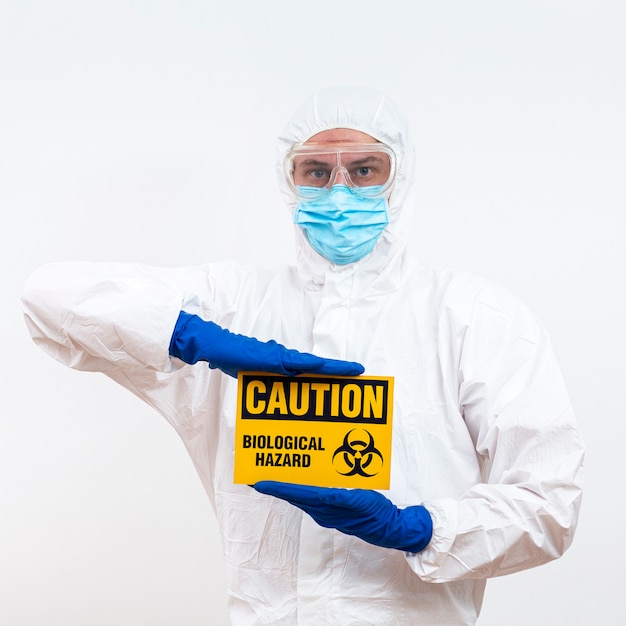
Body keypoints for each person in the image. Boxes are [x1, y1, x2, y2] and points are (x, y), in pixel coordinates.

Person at [21, 85, 584, 625]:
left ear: (399, 177)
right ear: (290, 181)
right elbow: (46, 297)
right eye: (317, 171)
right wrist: (193, 336)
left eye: (365, 170)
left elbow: (549, 502)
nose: (340, 191)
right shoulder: (235, 304)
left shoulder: (472, 315)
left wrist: (417, 528)